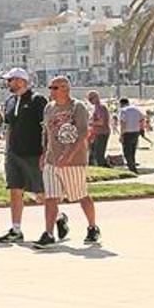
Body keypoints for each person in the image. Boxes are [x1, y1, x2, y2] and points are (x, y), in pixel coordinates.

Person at [0, 68, 67, 244]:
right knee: (15, 190)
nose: (8, 84)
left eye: (11, 80)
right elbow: (9, 127)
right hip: (13, 153)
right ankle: (16, 229)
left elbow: (47, 128)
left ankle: (59, 217)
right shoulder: (10, 101)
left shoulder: (38, 100)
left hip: (34, 153)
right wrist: (7, 149)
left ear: (21, 81)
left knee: (40, 194)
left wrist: (46, 151)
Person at [34, 77, 100, 249]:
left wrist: (68, 156)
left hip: (73, 161)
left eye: (54, 88)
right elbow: (46, 132)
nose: (51, 91)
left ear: (65, 88)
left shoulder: (77, 107)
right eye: (50, 87)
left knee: (81, 195)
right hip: (51, 160)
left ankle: (93, 227)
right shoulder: (49, 108)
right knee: (50, 197)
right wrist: (43, 153)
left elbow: (83, 133)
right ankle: (48, 233)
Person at [117, 98, 144, 173]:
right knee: (132, 151)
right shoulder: (136, 109)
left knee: (127, 152)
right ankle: (133, 166)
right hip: (136, 132)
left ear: (121, 104)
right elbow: (142, 119)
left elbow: (123, 123)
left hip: (127, 133)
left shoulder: (123, 111)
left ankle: (132, 169)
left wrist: (121, 135)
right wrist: (141, 129)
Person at [87, 91, 111, 167]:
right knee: (95, 153)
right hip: (98, 133)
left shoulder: (100, 107)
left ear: (96, 97)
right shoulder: (97, 107)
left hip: (101, 133)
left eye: (91, 99)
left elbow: (101, 122)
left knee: (99, 154)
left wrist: (90, 123)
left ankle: (105, 168)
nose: (89, 101)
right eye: (88, 99)